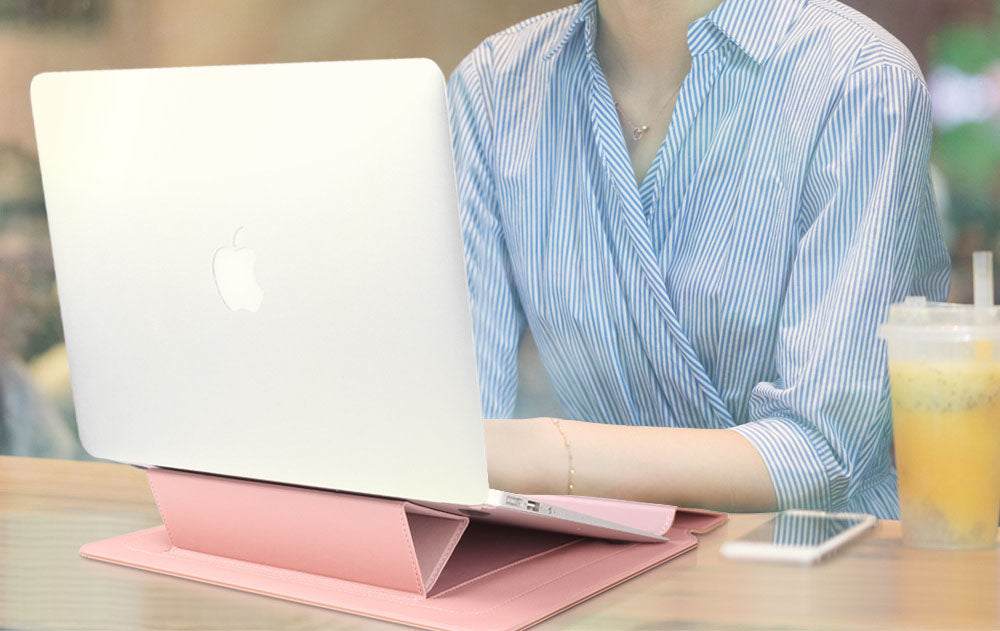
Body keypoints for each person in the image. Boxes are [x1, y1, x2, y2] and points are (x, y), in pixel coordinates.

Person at [447, 0, 950, 518]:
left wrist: (547, 454)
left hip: (818, 554)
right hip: (590, 553)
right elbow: (453, 440)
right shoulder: (492, 88)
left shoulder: (858, 77)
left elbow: (822, 450)